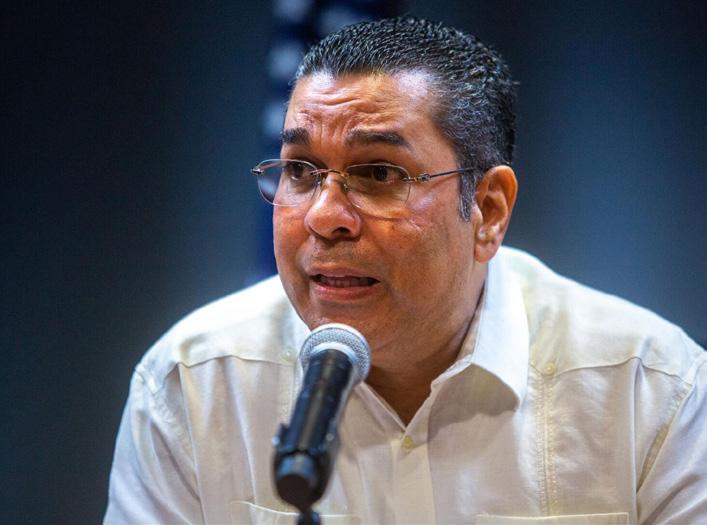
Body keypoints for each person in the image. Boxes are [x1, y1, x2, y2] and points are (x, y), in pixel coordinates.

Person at [104, 17, 706, 524]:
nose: (324, 217)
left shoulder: (654, 392)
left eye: (378, 174)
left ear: (488, 210)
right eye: (300, 171)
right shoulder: (192, 384)